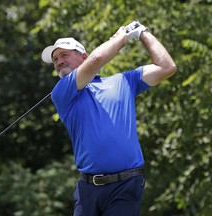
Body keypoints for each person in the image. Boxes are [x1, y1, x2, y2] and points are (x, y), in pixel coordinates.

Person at [41, 21, 177, 216]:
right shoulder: (62, 92)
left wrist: (142, 33)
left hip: (126, 185)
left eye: (64, 55)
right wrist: (120, 38)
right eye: (55, 59)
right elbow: (98, 57)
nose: (59, 61)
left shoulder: (123, 81)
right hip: (87, 189)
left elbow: (167, 67)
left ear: (83, 57)